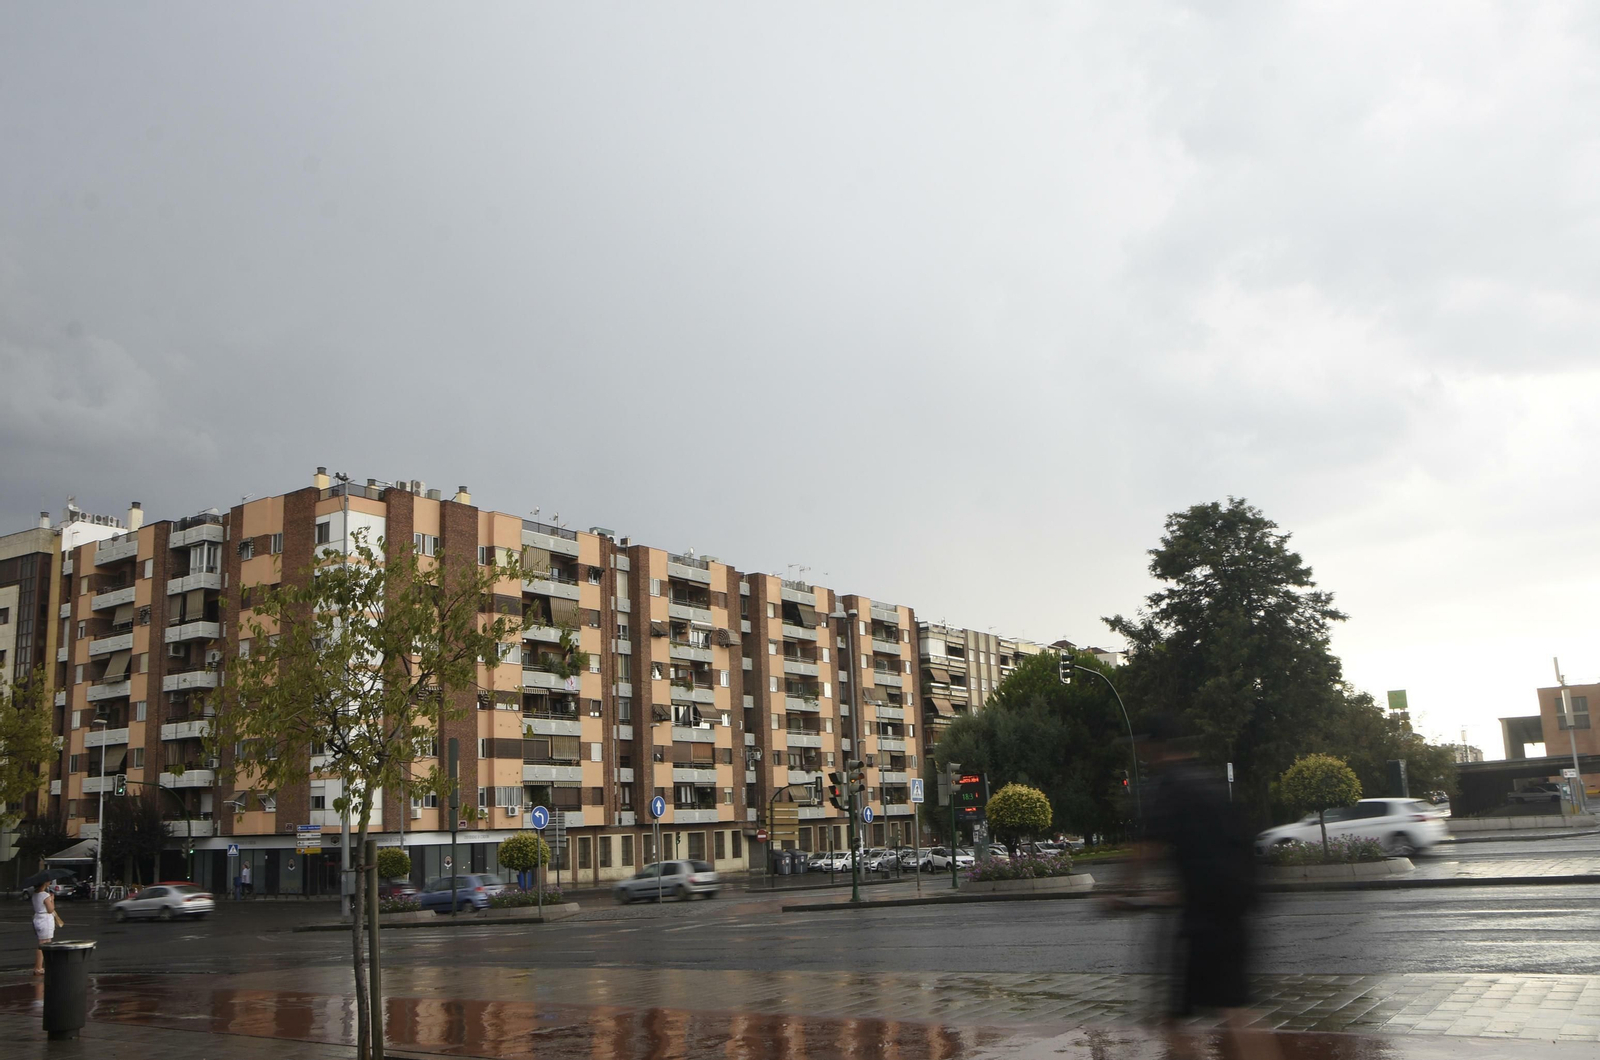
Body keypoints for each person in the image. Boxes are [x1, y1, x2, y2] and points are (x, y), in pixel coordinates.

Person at [1115, 719, 1281, 1060]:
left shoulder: (1169, 785)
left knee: (1181, 1020)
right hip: (1234, 911)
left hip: (1203, 921)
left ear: (1154, 747)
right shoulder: (1209, 783)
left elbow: (1147, 849)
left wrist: (1117, 891)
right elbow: (1218, 852)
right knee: (1235, 1009)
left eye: (1142, 748)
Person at [31, 881, 61, 976]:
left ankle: (42, 965)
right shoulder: (45, 895)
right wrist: (52, 900)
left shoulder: (35, 894)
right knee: (44, 943)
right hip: (45, 920)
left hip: (37, 918)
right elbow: (50, 909)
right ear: (44, 883)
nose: (49, 882)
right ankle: (38, 967)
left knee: (44, 943)